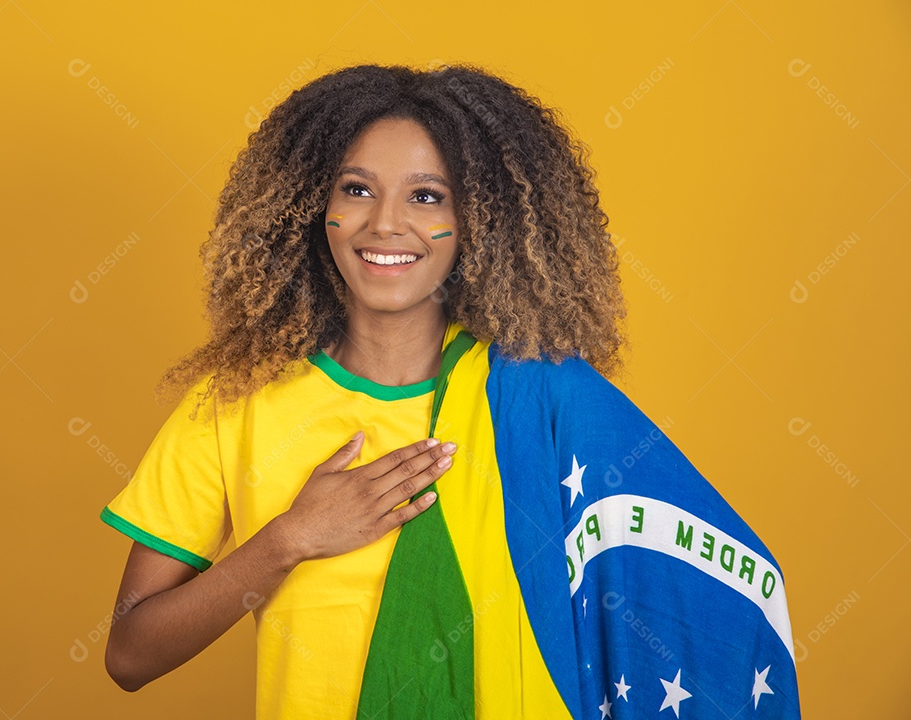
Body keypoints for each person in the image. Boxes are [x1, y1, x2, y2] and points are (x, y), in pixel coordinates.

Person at [99, 63, 801, 719]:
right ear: (313, 206)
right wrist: (289, 539)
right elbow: (130, 654)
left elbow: (706, 578)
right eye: (357, 189)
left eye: (427, 196)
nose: (386, 224)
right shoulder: (237, 400)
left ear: (478, 222)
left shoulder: (542, 398)